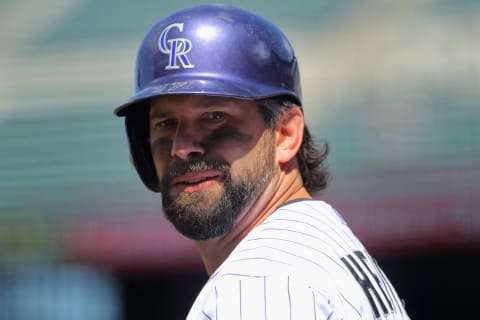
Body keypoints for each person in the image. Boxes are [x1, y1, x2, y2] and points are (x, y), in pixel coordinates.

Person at [114, 4, 409, 319]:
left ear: (284, 133)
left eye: (215, 117)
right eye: (166, 123)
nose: (183, 147)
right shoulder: (317, 245)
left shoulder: (261, 282)